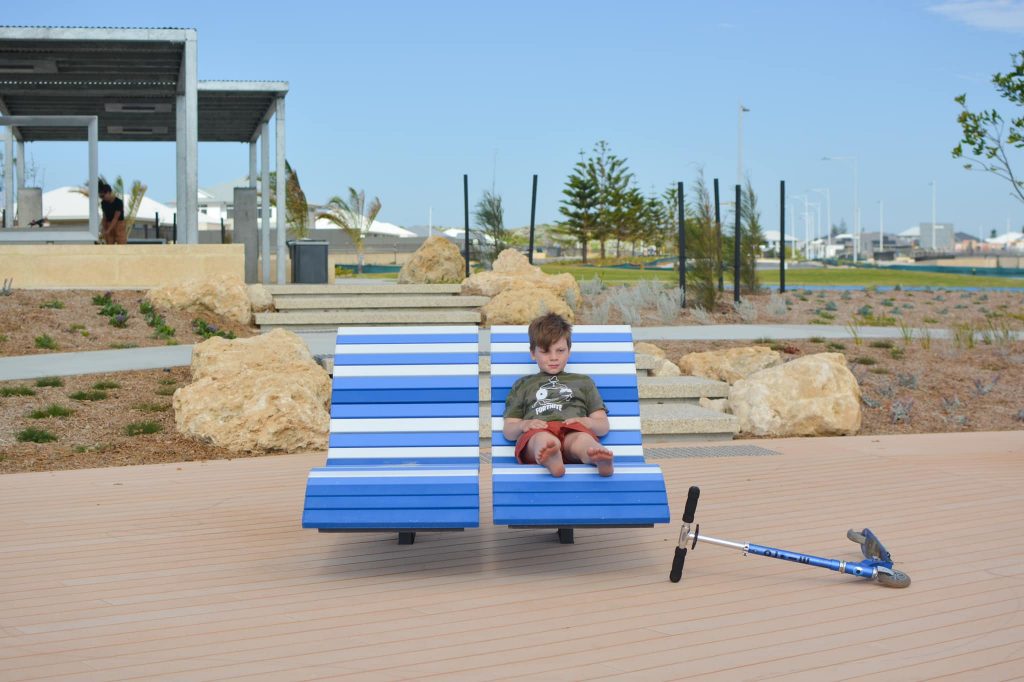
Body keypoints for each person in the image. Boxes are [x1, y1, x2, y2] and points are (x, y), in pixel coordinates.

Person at [502, 312, 614, 478]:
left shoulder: (583, 382)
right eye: (546, 352)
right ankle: (550, 456)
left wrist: (587, 422)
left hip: (572, 430)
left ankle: (596, 457)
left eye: (560, 350)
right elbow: (508, 431)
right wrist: (523, 425)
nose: (554, 358)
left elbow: (603, 426)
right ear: (533, 353)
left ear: (569, 351)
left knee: (582, 439)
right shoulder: (523, 384)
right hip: (540, 430)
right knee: (542, 439)